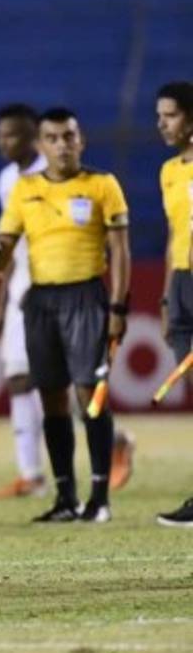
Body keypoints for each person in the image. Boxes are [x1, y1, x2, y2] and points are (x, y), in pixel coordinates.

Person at [0, 107, 131, 524]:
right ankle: (65, 497)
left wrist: (118, 306)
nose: (62, 145)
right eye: (52, 138)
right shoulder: (23, 188)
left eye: (69, 137)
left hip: (85, 297)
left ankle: (99, 496)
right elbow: (4, 245)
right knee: (51, 398)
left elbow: (121, 251)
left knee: (89, 397)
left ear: (81, 140)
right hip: (41, 301)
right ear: (41, 145)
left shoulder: (102, 185)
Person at [0, 104, 48, 500]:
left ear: (33, 135)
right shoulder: (8, 179)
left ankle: (116, 441)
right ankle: (31, 474)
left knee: (65, 381)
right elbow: (11, 243)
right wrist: (3, 302)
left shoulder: (53, 172)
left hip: (57, 286)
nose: (4, 142)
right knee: (19, 378)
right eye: (1, 135)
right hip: (22, 286)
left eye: (13, 135)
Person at [154, 81, 193, 527]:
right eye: (160, 116)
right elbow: (174, 236)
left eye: (170, 115)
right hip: (181, 285)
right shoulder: (169, 171)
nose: (162, 123)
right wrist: (167, 295)